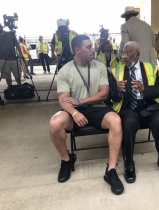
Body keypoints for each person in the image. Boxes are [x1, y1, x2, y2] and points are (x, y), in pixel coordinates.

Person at [49, 35, 124, 195]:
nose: (93, 49)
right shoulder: (65, 71)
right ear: (77, 50)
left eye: (92, 46)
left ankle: (111, 170)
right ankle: (66, 160)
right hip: (74, 110)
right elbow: (63, 100)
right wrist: (75, 112)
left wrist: (79, 101)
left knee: (116, 121)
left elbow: (103, 94)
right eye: (88, 47)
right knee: (55, 122)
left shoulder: (100, 66)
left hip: (96, 108)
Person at [111, 41, 159, 183]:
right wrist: (118, 91)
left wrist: (145, 89)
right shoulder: (116, 71)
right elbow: (110, 97)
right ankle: (129, 163)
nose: (124, 56)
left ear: (137, 54)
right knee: (128, 123)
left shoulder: (150, 68)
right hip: (128, 108)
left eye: (128, 53)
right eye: (123, 53)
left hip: (147, 106)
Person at [0, 21, 22, 86]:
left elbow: (17, 44)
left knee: (18, 76)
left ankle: (19, 87)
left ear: (1, 26)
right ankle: (10, 89)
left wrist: (20, 54)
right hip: (3, 60)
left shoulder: (10, 34)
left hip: (13, 59)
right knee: (7, 77)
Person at [96, 40, 116, 105]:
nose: (108, 46)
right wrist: (105, 76)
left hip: (113, 77)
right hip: (103, 78)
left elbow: (117, 67)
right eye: (106, 45)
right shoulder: (99, 57)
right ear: (103, 47)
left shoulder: (115, 56)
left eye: (109, 45)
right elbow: (97, 69)